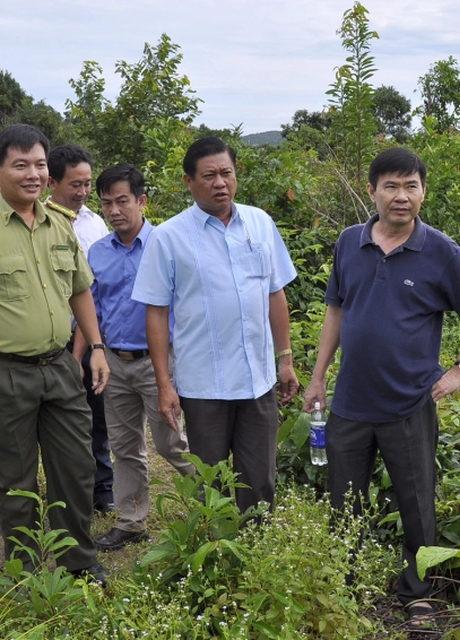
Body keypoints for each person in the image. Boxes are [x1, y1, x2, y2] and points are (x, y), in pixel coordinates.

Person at [302, 147, 460, 622]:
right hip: (349, 401)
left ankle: (418, 592)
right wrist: (318, 375)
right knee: (344, 498)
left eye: (411, 186)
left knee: (416, 500)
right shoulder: (350, 241)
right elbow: (336, 310)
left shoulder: (441, 251)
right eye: (391, 185)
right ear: (372, 191)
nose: (401, 196)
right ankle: (344, 584)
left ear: (423, 192)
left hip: (410, 401)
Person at [0, 124, 110, 584]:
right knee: (14, 481)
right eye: (21, 165)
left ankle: (78, 563)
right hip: (0, 371)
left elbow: (80, 290)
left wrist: (97, 348)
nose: (33, 174)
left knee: (76, 468)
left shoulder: (60, 224)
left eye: (40, 164)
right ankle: (25, 571)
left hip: (60, 367)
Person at [131, 136, 299, 515]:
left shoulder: (259, 222)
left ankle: (256, 553)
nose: (220, 182)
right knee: (211, 482)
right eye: (209, 176)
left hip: (258, 380)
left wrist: (284, 359)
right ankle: (216, 559)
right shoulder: (169, 237)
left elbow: (275, 294)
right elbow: (155, 313)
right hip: (204, 385)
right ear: (189, 182)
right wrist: (164, 385)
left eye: (227, 173)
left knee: (260, 479)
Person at [80, 163, 195, 551]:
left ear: (142, 201)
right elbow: (90, 312)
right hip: (115, 361)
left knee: (171, 444)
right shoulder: (97, 252)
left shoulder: (168, 245)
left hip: (158, 363)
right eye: (107, 203)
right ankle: (131, 522)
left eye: (123, 201)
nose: (115, 210)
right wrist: (84, 357)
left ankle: (213, 510)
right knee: (125, 447)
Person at [48, 143, 115, 514]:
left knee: (96, 414)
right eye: (76, 184)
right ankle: (64, 488)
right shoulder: (38, 220)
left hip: (90, 335)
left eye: (88, 183)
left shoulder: (95, 222)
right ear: (52, 182)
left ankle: (102, 487)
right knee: (61, 418)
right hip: (52, 336)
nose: (83, 192)